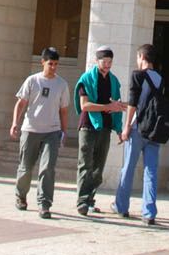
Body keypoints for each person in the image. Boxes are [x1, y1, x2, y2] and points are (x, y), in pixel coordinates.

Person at [9, 47, 70, 219]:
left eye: (56, 64)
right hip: (31, 129)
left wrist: (64, 132)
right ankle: (21, 196)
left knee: (48, 168)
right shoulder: (32, 81)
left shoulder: (62, 84)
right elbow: (21, 104)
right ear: (42, 62)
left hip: (52, 131)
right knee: (26, 167)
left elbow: (63, 110)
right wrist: (15, 123)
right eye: (50, 63)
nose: (53, 67)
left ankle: (44, 204)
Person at [113, 43, 165, 226]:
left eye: (138, 57)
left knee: (128, 167)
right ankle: (149, 212)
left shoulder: (137, 76)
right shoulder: (159, 77)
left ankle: (121, 206)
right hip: (154, 129)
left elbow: (134, 104)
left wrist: (126, 127)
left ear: (142, 57)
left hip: (137, 128)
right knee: (151, 170)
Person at [72, 45, 124, 216]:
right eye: (104, 61)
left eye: (110, 62)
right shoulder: (86, 79)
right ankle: (82, 201)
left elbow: (116, 105)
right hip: (88, 126)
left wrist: (120, 122)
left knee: (98, 167)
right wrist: (107, 107)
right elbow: (84, 105)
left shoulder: (114, 81)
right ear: (97, 61)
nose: (107, 65)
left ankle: (90, 200)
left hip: (105, 128)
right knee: (85, 164)